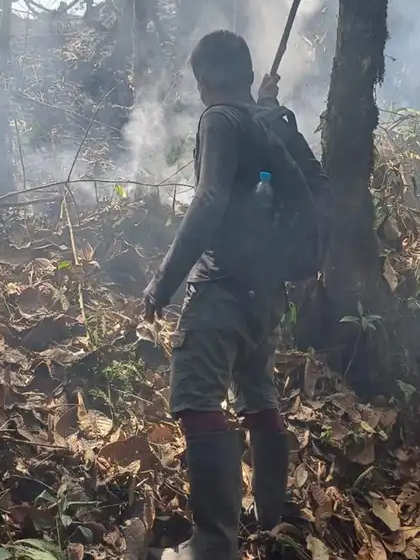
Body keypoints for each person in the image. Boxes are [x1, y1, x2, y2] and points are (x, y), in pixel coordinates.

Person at [142, 30, 290, 560]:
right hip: (265, 295)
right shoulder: (267, 119)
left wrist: (164, 281)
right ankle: (272, 519)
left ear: (204, 81)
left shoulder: (217, 119)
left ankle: (211, 547)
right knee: (258, 393)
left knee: (197, 398)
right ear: (248, 77)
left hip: (223, 288)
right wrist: (268, 100)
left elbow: (208, 203)